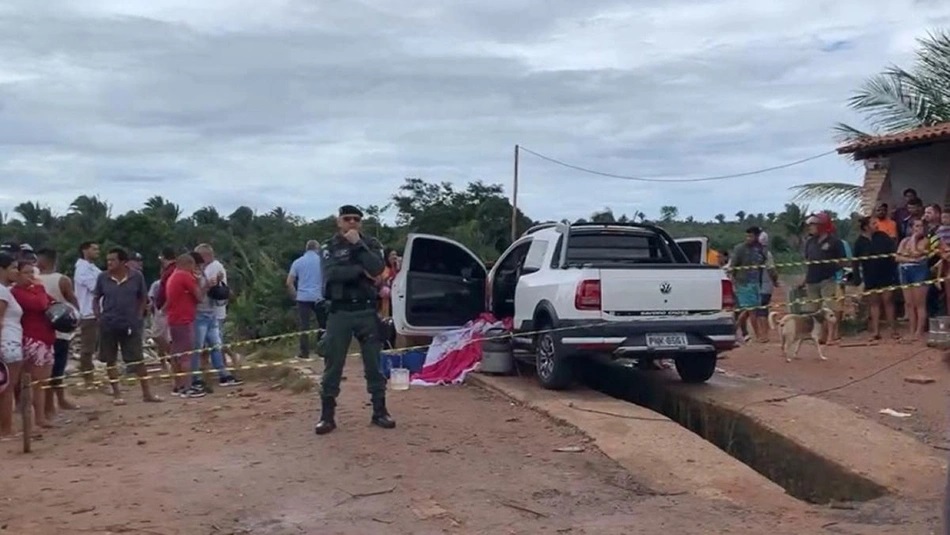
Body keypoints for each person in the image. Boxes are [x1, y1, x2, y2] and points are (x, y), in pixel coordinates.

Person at [315, 205, 394, 435]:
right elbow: (332, 274)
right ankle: (327, 416)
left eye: (356, 219)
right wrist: (361, 271)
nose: (351, 222)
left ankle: (380, 411)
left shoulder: (370, 244)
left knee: (373, 363)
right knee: (333, 364)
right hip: (340, 312)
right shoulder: (330, 246)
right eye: (347, 218)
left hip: (366, 311)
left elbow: (379, 269)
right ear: (338, 221)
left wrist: (357, 247)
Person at [93, 247, 162, 405]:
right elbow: (96, 297)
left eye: (112, 260)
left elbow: (143, 297)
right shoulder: (103, 277)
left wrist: (138, 317)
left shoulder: (136, 277)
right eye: (108, 260)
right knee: (110, 360)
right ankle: (117, 393)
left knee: (137, 359)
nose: (109, 263)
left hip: (131, 324)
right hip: (109, 323)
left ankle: (147, 393)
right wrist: (98, 316)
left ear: (123, 262)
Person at [11, 257, 57, 429]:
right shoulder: (17, 292)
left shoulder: (34, 290)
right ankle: (32, 418)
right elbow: (40, 304)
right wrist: (39, 288)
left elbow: (51, 302)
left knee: (43, 380)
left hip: (46, 337)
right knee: (35, 379)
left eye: (32, 272)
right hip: (32, 338)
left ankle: (40, 416)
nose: (30, 276)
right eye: (26, 272)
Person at [35, 248, 81, 417]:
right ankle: (52, 405)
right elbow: (73, 301)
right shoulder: (62, 280)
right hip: (59, 331)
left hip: (43, 331)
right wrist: (76, 319)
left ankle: (54, 403)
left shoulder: (33, 280)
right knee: (56, 370)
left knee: (49, 370)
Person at [194, 244, 241, 388]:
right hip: (205, 312)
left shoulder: (213, 267)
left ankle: (221, 373)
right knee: (206, 346)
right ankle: (207, 375)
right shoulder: (201, 271)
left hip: (210, 312)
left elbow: (207, 289)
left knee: (213, 345)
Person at [164, 254, 208, 398]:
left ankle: (178, 385)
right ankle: (187, 387)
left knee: (176, 353)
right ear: (189, 264)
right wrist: (206, 285)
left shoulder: (173, 276)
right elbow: (199, 297)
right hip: (184, 319)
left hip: (174, 318)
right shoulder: (184, 276)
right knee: (186, 355)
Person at [800, 213, 846, 344]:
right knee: (813, 310)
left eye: (813, 225)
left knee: (830, 309)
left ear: (822, 226)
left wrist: (832, 268)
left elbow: (843, 261)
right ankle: (818, 336)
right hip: (812, 279)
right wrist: (804, 280)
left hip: (828, 279)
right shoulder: (810, 242)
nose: (810, 228)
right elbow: (808, 261)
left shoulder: (835, 242)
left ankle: (832, 336)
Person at [852, 217, 899, 341]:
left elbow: (893, 252)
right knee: (874, 303)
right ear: (866, 227)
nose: (876, 225)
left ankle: (893, 330)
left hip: (886, 274)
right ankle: (875, 331)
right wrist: (857, 277)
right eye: (873, 223)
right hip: (870, 276)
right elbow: (855, 261)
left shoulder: (883, 236)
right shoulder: (859, 242)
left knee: (888, 301)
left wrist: (894, 270)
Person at [287, 240, 326, 360]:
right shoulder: (322, 262)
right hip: (319, 296)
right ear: (317, 249)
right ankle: (322, 350)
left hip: (303, 297)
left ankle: (304, 352)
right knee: (323, 324)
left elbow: (289, 282)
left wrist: (295, 295)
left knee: (304, 326)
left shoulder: (298, 262)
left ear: (306, 249)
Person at [728, 227, 767, 343]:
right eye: (747, 236)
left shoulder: (759, 249)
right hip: (743, 282)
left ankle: (733, 331)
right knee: (752, 310)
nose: (748, 238)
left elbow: (762, 263)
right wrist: (734, 281)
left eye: (751, 236)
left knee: (746, 310)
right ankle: (758, 335)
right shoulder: (740, 249)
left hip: (755, 282)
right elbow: (733, 266)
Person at [896, 218, 931, 341]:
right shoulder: (904, 241)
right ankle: (911, 330)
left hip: (919, 271)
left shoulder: (926, 241)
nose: (918, 229)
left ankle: (919, 331)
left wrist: (914, 239)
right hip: (905, 271)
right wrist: (910, 259)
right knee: (909, 303)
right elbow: (898, 257)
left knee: (919, 303)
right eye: (916, 226)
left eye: (920, 226)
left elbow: (915, 252)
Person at [0, 253, 23, 440]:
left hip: (9, 341)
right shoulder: (2, 291)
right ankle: (6, 429)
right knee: (7, 388)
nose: (16, 271)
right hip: (7, 342)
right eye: (13, 268)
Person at [73, 241, 101, 386]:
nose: (97, 251)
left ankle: (89, 374)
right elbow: (96, 287)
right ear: (85, 250)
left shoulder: (92, 268)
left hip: (97, 313)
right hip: (88, 313)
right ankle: (88, 378)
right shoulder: (82, 269)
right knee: (87, 348)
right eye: (94, 249)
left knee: (94, 347)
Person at [755, 233, 779, 342]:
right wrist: (775, 281)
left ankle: (762, 334)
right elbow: (772, 270)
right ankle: (764, 334)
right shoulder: (767, 254)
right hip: (765, 285)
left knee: (758, 310)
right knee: (763, 310)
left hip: (756, 286)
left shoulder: (752, 253)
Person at [377, 248, 401, 317]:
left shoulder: (398, 268)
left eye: (396, 255)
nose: (395, 257)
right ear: (387, 257)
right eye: (392, 255)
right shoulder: (384, 269)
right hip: (386, 301)